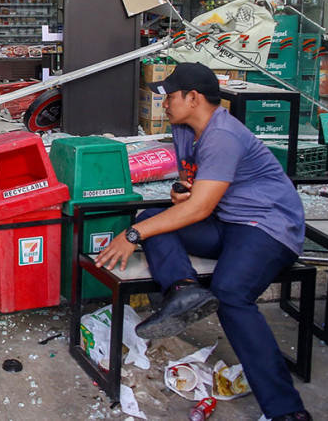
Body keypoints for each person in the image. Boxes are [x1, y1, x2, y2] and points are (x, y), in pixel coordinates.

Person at [95, 62, 311, 421]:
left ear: (193, 98)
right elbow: (192, 190)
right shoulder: (184, 131)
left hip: (268, 227)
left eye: (171, 97)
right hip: (227, 222)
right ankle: (183, 291)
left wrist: (132, 236)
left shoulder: (223, 135)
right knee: (153, 220)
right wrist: (182, 191)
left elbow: (200, 208)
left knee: (230, 293)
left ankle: (287, 411)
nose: (163, 104)